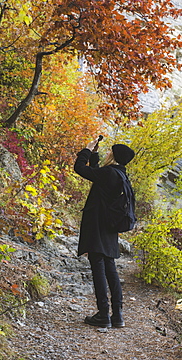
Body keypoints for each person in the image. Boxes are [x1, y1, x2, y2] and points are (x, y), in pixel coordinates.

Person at [74, 138, 135, 328]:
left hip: (97, 225)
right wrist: (94, 156)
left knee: (98, 266)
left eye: (110, 152)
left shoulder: (109, 173)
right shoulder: (120, 175)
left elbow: (80, 169)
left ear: (114, 156)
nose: (108, 153)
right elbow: (97, 174)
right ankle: (117, 315)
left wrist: (86, 149)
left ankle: (103, 314)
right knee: (110, 268)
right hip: (110, 227)